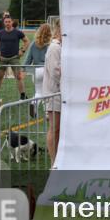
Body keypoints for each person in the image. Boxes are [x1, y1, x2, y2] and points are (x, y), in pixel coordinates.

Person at [0, 15, 29, 105]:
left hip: (14, 58)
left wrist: (22, 50)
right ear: (4, 23)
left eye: (9, 22)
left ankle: (23, 96)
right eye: (6, 22)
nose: (8, 23)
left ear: (12, 22)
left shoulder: (18, 32)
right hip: (2, 58)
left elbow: (27, 41)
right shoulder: (0, 33)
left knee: (18, 77)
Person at [43, 22, 62, 164]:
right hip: (54, 93)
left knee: (59, 128)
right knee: (54, 128)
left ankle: (58, 160)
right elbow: (56, 72)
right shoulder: (55, 47)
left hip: (60, 93)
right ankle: (53, 161)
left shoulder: (60, 46)